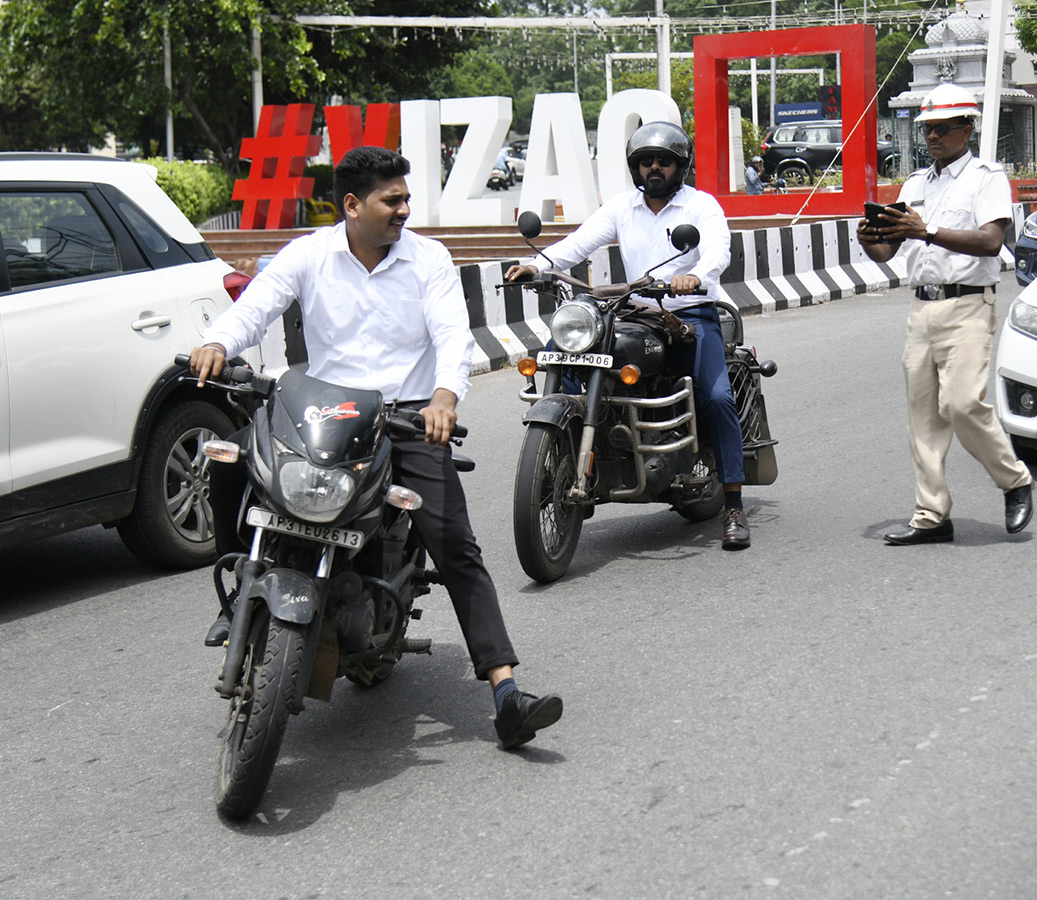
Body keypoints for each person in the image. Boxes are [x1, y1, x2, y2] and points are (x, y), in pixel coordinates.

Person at [190, 146, 562, 750]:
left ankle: (504, 688)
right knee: (231, 463)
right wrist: (217, 343)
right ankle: (239, 600)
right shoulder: (310, 254)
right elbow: (255, 308)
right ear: (353, 205)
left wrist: (444, 399)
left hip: (404, 419)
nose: (404, 210)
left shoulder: (429, 259)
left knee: (455, 543)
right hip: (317, 413)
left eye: (406, 198)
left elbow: (451, 335)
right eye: (393, 199)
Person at [504, 121, 751, 550]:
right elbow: (577, 245)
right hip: (635, 312)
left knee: (716, 396)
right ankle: (568, 449)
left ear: (681, 165)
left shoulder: (701, 206)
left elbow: (717, 249)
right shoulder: (623, 207)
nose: (655, 167)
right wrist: (539, 267)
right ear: (636, 167)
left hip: (689, 315)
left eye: (664, 161)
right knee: (560, 352)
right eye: (646, 161)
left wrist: (695, 275)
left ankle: (733, 503)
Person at [855, 83, 1034, 545]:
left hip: (969, 304)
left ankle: (1014, 481)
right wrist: (867, 237)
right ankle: (932, 515)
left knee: (961, 404)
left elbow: (992, 241)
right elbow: (887, 249)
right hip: (923, 308)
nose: (931, 136)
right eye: (926, 129)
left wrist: (928, 229)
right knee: (923, 419)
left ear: (966, 129)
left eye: (940, 128)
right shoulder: (915, 184)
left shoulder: (986, 177)